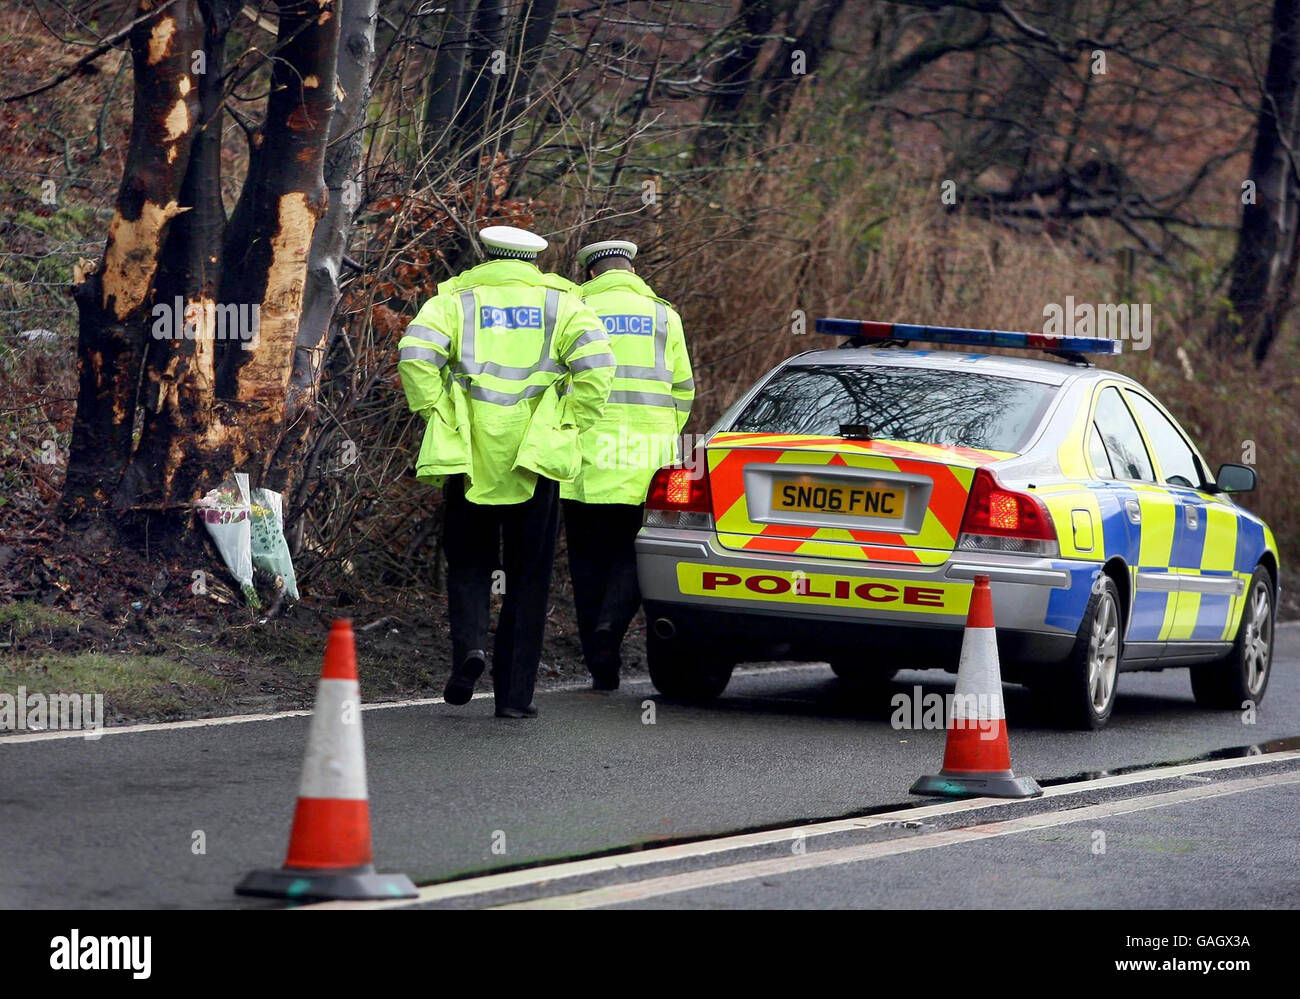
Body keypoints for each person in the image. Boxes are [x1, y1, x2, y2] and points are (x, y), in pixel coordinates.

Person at [397, 226, 614, 718]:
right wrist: (567, 421)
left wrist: (438, 412)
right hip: (535, 459)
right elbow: (599, 368)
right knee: (528, 576)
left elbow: (414, 356)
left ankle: (470, 650)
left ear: (486, 254)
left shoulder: (455, 299)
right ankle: (514, 698)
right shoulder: (563, 303)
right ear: (535, 259)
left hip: (469, 455)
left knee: (470, 565)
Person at [561, 240, 695, 690]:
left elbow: (560, 378)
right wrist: (662, 433)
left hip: (584, 454)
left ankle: (597, 658)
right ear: (631, 269)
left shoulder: (574, 307)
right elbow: (684, 391)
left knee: (585, 559)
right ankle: (610, 631)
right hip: (647, 459)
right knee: (633, 554)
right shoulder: (664, 315)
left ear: (590, 273)